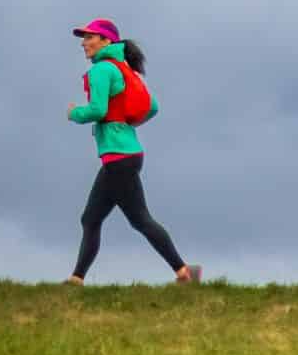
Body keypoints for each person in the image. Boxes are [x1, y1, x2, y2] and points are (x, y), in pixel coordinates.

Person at [63, 19, 203, 286]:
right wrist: (125, 125)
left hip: (118, 158)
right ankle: (184, 273)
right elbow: (153, 107)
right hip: (128, 154)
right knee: (112, 219)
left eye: (89, 37)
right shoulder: (124, 69)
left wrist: (74, 114)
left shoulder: (102, 70)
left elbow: (97, 110)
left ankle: (184, 272)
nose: (83, 43)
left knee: (117, 219)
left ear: (105, 41)